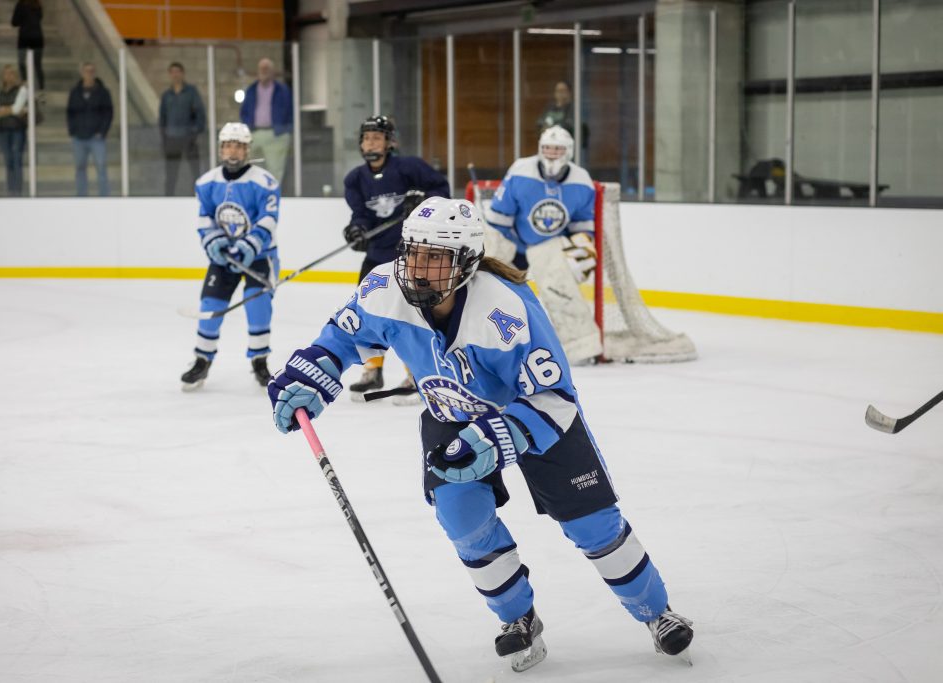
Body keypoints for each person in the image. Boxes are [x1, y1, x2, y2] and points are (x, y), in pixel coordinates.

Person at [267, 196, 694, 672]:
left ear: (466, 262)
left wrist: (500, 436)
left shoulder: (507, 309)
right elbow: (342, 338)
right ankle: (518, 619)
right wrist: (310, 376)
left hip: (533, 418)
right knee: (465, 524)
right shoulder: (384, 288)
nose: (418, 267)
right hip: (450, 415)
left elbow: (555, 397)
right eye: (412, 252)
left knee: (593, 526)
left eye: (435, 257)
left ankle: (656, 613)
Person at [341, 114, 450, 403]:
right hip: (376, 256)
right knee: (366, 311)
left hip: (410, 255)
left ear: (390, 142)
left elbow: (442, 190)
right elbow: (360, 214)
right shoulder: (355, 179)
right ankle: (372, 371)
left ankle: (415, 373)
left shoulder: (409, 168)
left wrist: (422, 200)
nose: (371, 142)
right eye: (366, 138)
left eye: (377, 137)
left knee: (409, 313)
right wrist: (357, 230)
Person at [484, 125, 603, 363]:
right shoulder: (521, 171)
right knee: (484, 278)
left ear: (568, 152)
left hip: (548, 245)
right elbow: (498, 220)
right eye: (547, 148)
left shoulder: (581, 180)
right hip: (510, 239)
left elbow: (582, 227)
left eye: (557, 150)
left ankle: (581, 346)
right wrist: (508, 252)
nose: (551, 154)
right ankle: (480, 337)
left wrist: (580, 251)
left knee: (559, 284)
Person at [180, 122, 281, 392]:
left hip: (260, 257)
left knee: (257, 307)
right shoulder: (206, 182)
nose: (232, 151)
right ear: (220, 149)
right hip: (224, 258)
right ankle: (202, 360)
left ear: (247, 149)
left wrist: (248, 245)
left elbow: (269, 219)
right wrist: (214, 242)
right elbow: (205, 218)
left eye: (238, 145)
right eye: (227, 145)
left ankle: (260, 362)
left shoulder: (264, 182)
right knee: (210, 306)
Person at [238, 58, 292, 185]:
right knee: (251, 166)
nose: (264, 71)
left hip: (276, 134)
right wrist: (247, 125)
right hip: (255, 132)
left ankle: (272, 194)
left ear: (273, 71)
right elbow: (244, 111)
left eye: (267, 68)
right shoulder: (251, 89)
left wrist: (286, 129)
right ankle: (255, 193)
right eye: (262, 69)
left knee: (275, 169)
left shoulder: (282, 90)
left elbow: (290, 111)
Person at [65, 62, 113, 197]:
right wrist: (72, 130)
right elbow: (70, 112)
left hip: (96, 138)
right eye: (87, 71)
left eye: (92, 71)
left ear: (95, 73)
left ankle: (104, 196)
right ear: (82, 73)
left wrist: (102, 132)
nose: (89, 74)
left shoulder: (103, 92)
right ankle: (81, 195)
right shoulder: (75, 92)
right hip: (79, 137)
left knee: (101, 167)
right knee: (80, 168)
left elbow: (108, 113)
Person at [159, 62, 206, 196]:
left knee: (194, 170)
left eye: (177, 71)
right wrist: (164, 137)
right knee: (171, 172)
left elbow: (200, 114)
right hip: (172, 138)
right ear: (169, 74)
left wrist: (195, 132)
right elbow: (162, 118)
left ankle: (197, 196)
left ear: (182, 73)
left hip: (188, 138)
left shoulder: (191, 92)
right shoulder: (167, 95)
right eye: (172, 72)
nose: (175, 74)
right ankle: (169, 197)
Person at [0, 65, 28, 197]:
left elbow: (17, 109)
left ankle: (18, 190)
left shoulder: (22, 90)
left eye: (12, 73)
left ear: (15, 76)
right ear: (3, 76)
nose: (9, 76)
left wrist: (3, 110)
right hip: (3, 131)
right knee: (8, 160)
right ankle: (10, 190)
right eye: (6, 73)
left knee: (17, 160)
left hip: (17, 130)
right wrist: (10, 110)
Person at [536, 80, 589, 156]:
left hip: (568, 150)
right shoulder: (550, 108)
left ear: (569, 93)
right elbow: (540, 123)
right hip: (550, 149)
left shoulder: (574, 109)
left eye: (563, 91)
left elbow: (572, 126)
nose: (560, 93)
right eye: (558, 91)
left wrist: (554, 128)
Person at [12, 0, 45, 90]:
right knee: (37, 65)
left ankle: (25, 85)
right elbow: (40, 17)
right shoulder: (38, 4)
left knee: (22, 63)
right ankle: (41, 90)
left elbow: (14, 22)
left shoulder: (20, 4)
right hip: (38, 37)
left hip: (24, 37)